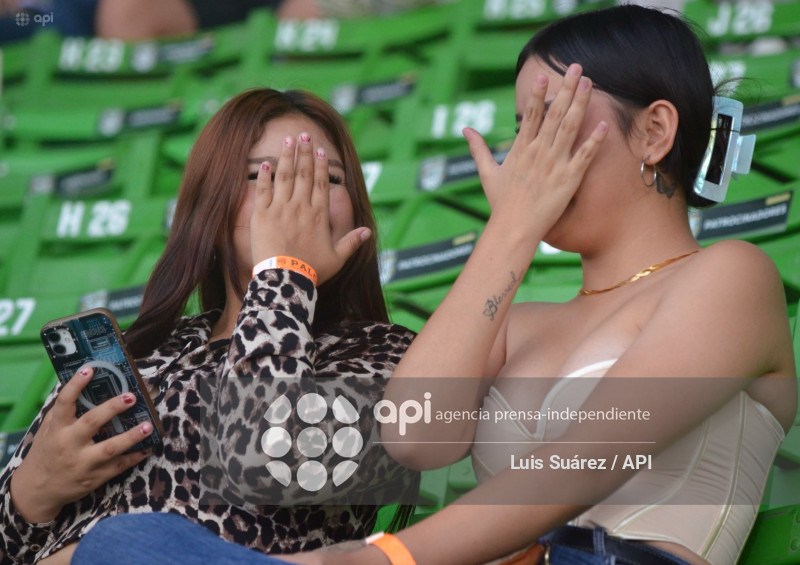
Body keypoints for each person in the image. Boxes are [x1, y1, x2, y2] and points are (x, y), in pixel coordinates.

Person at [69, 4, 796, 565]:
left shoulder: (730, 277)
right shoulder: (522, 322)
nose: (526, 153)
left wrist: (383, 556)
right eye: (521, 127)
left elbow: (583, 461)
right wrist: (510, 230)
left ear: (655, 131)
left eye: (552, 118)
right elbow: (415, 436)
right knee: (124, 542)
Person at [0, 88, 418, 564]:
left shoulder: (387, 354)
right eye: (263, 174)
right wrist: (32, 493)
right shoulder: (146, 349)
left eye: (329, 176)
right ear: (211, 207)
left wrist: (284, 272)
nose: (299, 194)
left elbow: (268, 458)